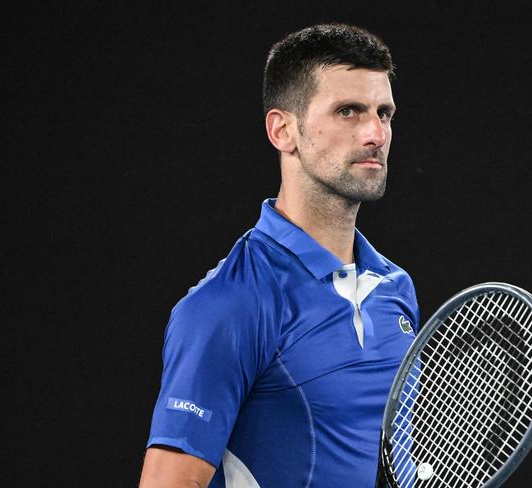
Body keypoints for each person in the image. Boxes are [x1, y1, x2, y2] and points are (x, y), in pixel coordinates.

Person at [139, 23, 419, 488]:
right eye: (348, 111)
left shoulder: (397, 290)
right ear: (283, 130)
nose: (375, 133)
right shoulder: (227, 305)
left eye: (384, 113)